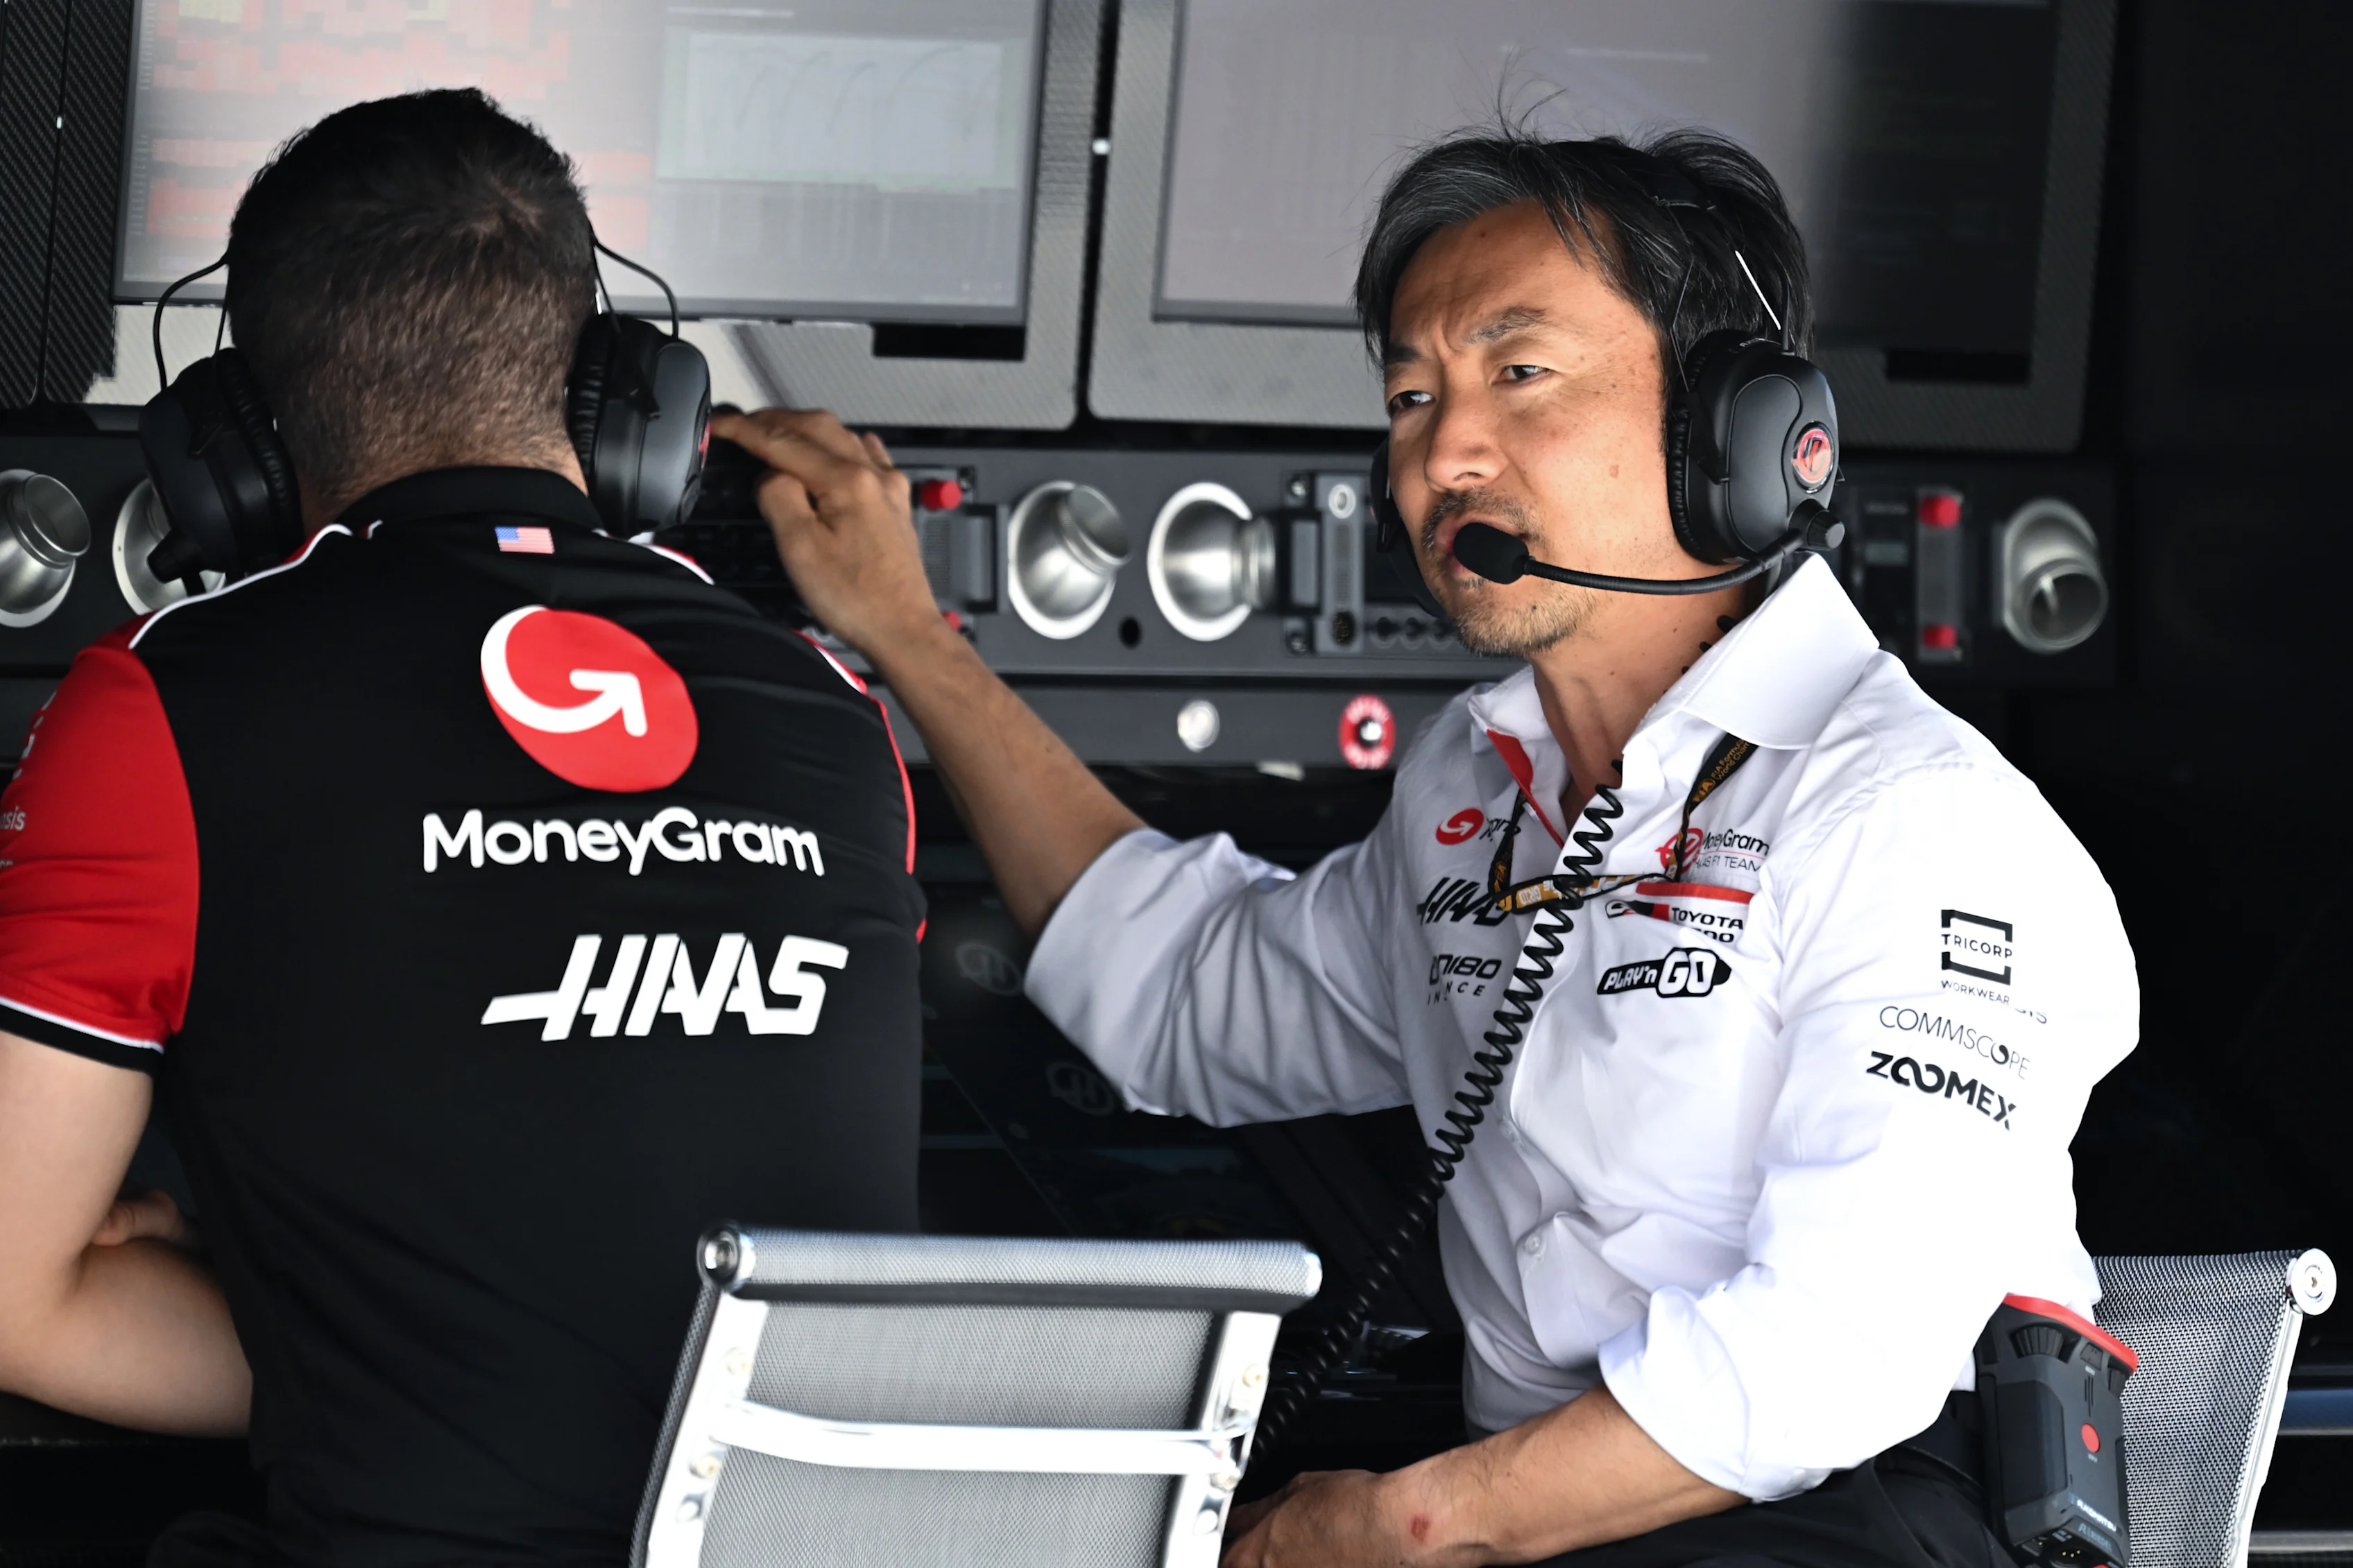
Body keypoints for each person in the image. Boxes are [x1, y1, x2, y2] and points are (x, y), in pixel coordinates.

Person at [715, 126, 2137, 1568]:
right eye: (1411, 394)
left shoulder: (1910, 816)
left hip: (1855, 1517)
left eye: (1518, 373)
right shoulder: (1472, 783)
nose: (1440, 453)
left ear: (1738, 432)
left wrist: (1409, 1519)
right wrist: (905, 634)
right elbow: (1187, 997)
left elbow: (1840, 1347)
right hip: (1555, 1524)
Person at [0, 91, 924, 1565]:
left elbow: (10, 1296)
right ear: (630, 398)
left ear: (235, 442)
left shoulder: (165, 700)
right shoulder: (835, 711)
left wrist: (371, 1349)